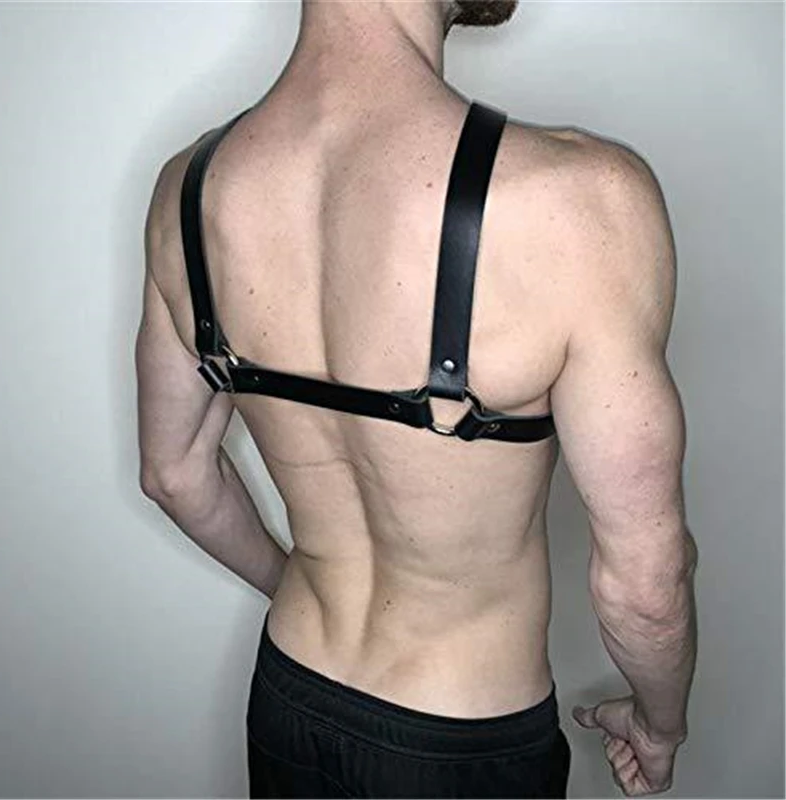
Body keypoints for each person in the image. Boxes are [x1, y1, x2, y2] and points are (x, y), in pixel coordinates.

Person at [135, 0, 699, 796]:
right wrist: (659, 726)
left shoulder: (186, 191)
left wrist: (296, 582)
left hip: (291, 693)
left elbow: (175, 475)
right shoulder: (580, 201)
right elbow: (645, 583)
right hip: (464, 737)